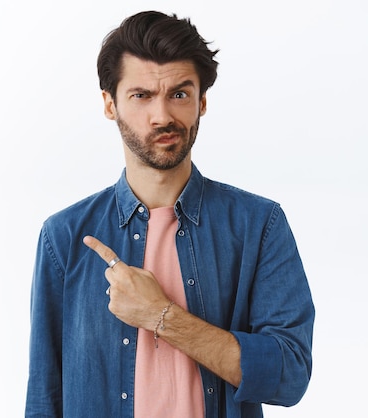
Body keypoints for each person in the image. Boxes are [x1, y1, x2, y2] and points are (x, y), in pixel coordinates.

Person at [24, 10, 315, 418]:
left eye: (179, 94)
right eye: (141, 96)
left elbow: (290, 375)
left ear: (202, 102)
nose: (162, 116)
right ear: (110, 104)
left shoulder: (257, 225)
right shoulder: (65, 236)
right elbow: (44, 399)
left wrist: (161, 316)